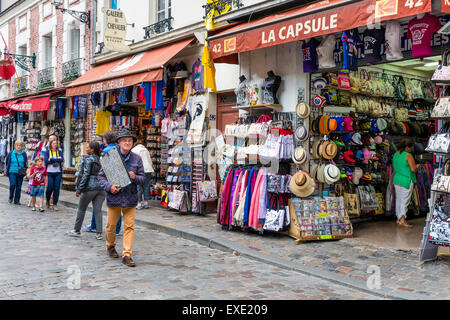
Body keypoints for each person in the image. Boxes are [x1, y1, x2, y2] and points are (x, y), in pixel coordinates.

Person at [98, 129, 145, 267]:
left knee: (129, 226)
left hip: (130, 198)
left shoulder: (137, 158)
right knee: (111, 226)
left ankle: (127, 254)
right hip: (115, 196)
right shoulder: (111, 156)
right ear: (118, 142)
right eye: (124, 140)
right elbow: (101, 176)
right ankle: (110, 245)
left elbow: (143, 179)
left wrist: (134, 177)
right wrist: (109, 187)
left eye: (129, 140)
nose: (127, 142)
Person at [84, 130, 122, 235]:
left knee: (97, 204)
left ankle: (94, 225)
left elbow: (103, 167)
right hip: (119, 179)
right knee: (117, 206)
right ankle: (117, 229)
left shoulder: (106, 151)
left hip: (108, 181)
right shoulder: (119, 149)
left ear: (105, 140)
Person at [69, 141, 105, 240]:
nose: (86, 149)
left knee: (81, 209)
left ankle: (76, 230)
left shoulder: (88, 159)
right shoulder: (101, 159)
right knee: (98, 211)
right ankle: (99, 233)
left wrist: (79, 189)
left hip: (90, 187)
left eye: (88, 147)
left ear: (92, 149)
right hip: (101, 187)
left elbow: (85, 175)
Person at [393, 139, 418, 228]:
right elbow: (413, 169)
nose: (411, 149)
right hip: (406, 180)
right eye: (410, 147)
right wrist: (417, 166)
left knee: (399, 199)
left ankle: (399, 219)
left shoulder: (396, 154)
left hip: (397, 179)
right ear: (407, 147)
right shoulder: (408, 155)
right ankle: (403, 219)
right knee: (405, 200)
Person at [131, 138, 155, 210]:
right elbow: (149, 161)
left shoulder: (134, 150)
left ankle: (139, 203)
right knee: (146, 186)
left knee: (138, 186)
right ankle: (146, 202)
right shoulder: (146, 150)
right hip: (147, 170)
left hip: (139, 170)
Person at [5, 140, 28, 205]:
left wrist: (25, 170)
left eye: (20, 145)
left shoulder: (24, 154)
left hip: (20, 173)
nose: (18, 147)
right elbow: (7, 162)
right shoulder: (11, 153)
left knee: (18, 187)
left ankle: (17, 200)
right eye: (17, 145)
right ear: (15, 146)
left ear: (21, 146)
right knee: (12, 184)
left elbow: (25, 163)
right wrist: (7, 170)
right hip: (12, 171)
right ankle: (11, 197)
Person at [44, 139, 64, 211]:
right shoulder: (47, 152)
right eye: (54, 143)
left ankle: (55, 204)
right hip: (49, 172)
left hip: (58, 172)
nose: (55, 145)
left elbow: (62, 159)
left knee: (57, 188)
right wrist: (56, 159)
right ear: (51, 144)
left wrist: (51, 159)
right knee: (49, 188)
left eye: (56, 143)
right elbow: (46, 161)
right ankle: (48, 200)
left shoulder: (59, 151)